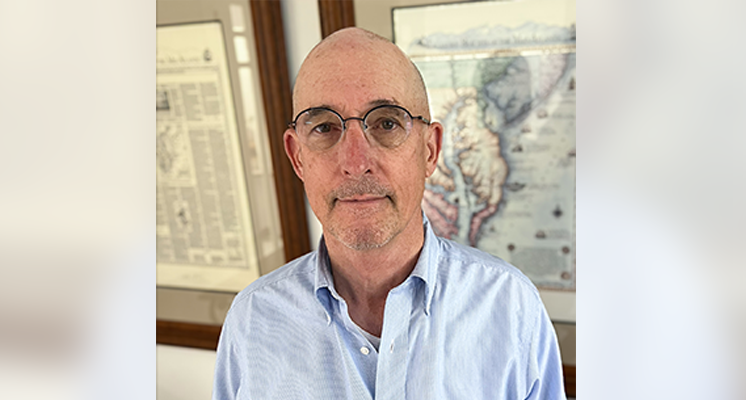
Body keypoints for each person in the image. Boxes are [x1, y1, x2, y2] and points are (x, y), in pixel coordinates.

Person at [212, 27, 566, 400]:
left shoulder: (511, 308)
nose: (355, 163)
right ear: (297, 156)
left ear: (430, 150)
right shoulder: (252, 321)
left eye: (386, 123)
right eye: (325, 128)